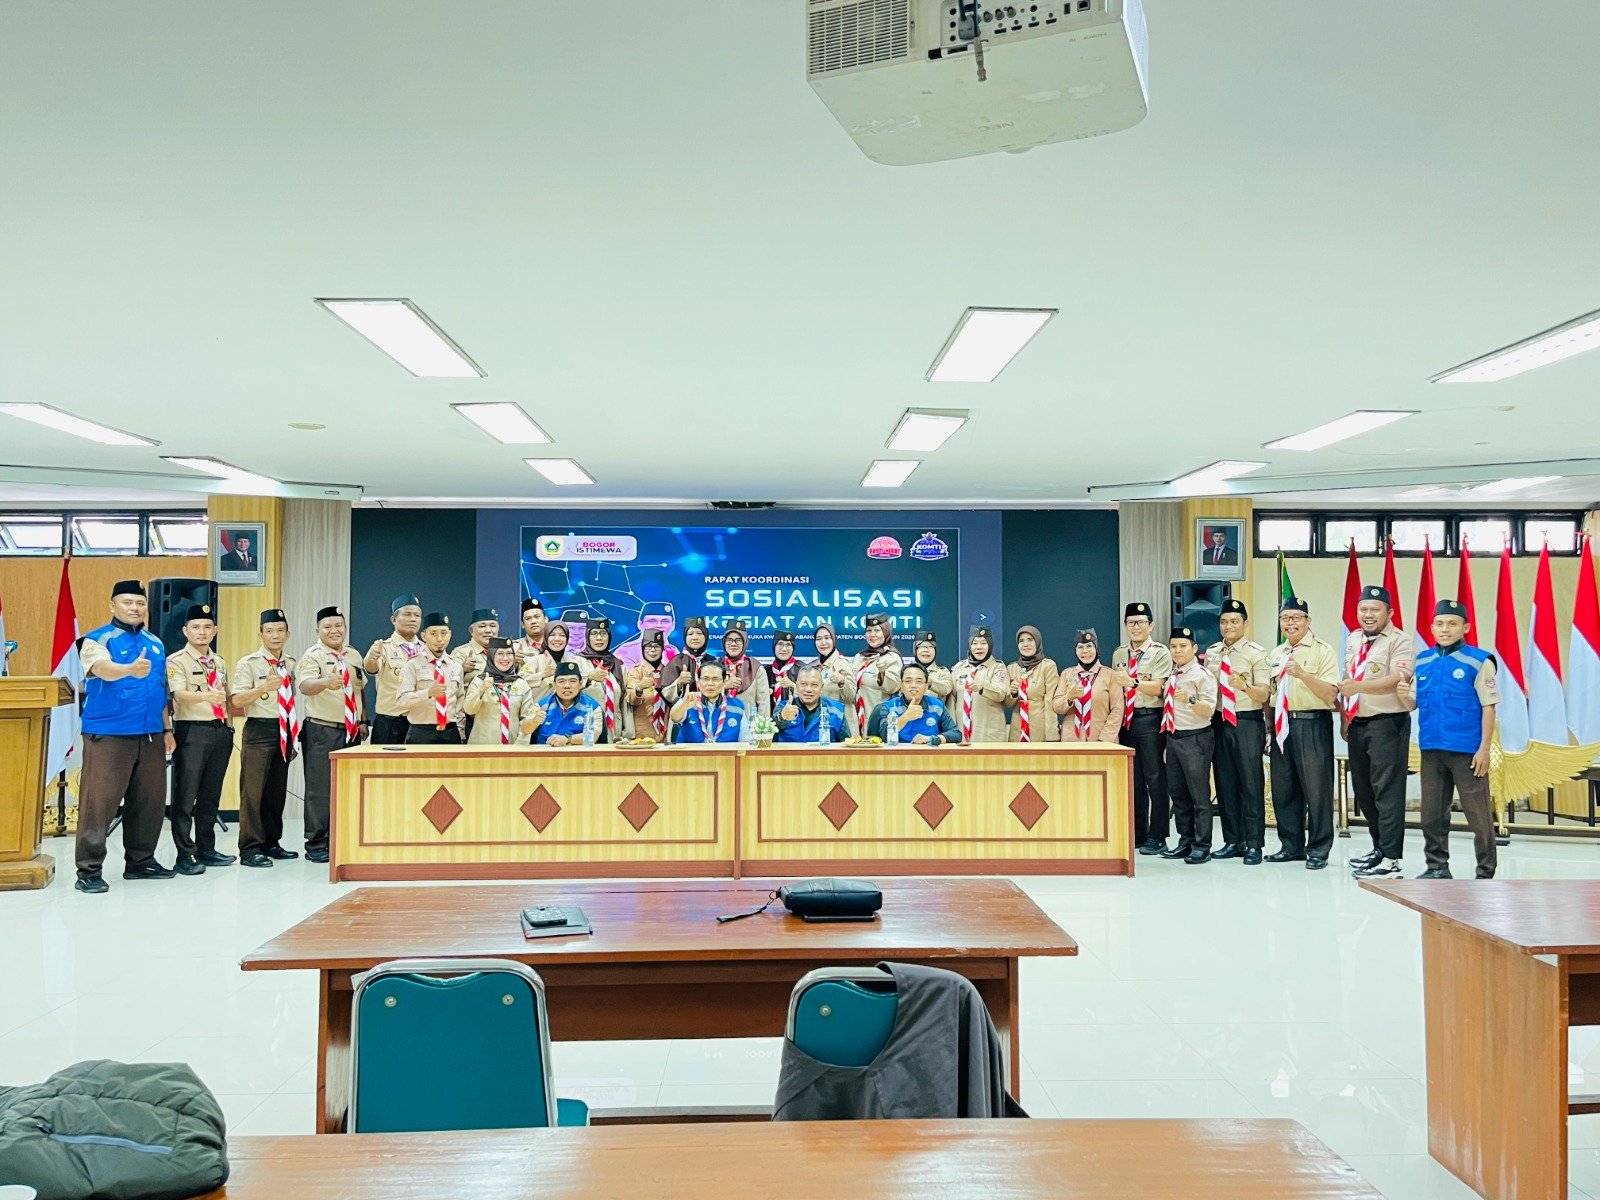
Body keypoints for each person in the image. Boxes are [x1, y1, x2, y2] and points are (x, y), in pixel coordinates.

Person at [73, 580, 176, 893]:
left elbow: (161, 690)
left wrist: (167, 729)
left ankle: (141, 861)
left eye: (140, 603)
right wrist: (129, 669)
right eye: (128, 602)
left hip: (150, 734)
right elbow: (101, 669)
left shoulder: (155, 642)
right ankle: (89, 870)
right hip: (109, 734)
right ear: (113, 605)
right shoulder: (96, 639)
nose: (135, 608)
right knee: (99, 803)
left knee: (149, 801)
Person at [1399, 599, 1500, 880]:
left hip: (1467, 751)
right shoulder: (1423, 661)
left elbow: (1489, 707)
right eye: (1440, 624)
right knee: (1431, 814)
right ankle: (1437, 866)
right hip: (1432, 749)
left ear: (1465, 627)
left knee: (1478, 815)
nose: (1445, 629)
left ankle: (1485, 872)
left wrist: (1484, 749)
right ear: (1432, 627)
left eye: (1452, 624)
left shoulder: (1479, 661)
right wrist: (1402, 695)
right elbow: (1413, 703)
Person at [1339, 585, 1415, 879]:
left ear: (1389, 613)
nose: (1368, 615)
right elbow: (1348, 678)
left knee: (1388, 792)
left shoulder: (1401, 641)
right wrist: (1346, 717)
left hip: (1388, 724)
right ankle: (1379, 849)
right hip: (1358, 722)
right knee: (1365, 791)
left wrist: (1358, 687)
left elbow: (1398, 678)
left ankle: (1392, 859)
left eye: (1375, 609)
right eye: (1363, 609)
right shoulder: (1354, 638)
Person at [1266, 596, 1341, 870]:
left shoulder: (1323, 650)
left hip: (1312, 723)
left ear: (1308, 621)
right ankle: (1291, 846)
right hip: (1282, 724)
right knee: (1284, 788)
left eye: (1296, 618)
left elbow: (1330, 694)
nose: (1290, 623)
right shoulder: (1276, 653)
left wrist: (1302, 674)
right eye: (1285, 618)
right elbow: (1272, 694)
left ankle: (1319, 849)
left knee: (1317, 789)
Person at [165, 602, 236, 876]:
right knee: (186, 795)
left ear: (215, 630)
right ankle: (185, 854)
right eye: (195, 627)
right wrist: (206, 696)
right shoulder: (177, 660)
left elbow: (226, 695)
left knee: (210, 794)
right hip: (191, 731)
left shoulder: (219, 661)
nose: (202, 632)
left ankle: (207, 848)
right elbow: (179, 694)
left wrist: (229, 726)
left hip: (219, 731)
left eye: (207, 627)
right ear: (186, 631)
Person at [295, 606, 367, 864]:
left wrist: (363, 720)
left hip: (351, 730)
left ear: (345, 628)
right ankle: (316, 843)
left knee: (349, 786)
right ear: (318, 630)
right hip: (322, 730)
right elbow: (305, 686)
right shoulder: (312, 656)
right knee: (320, 790)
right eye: (327, 627)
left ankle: (343, 838)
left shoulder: (353, 654)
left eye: (338, 625)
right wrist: (326, 682)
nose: (334, 631)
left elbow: (359, 690)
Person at [231, 608, 299, 868]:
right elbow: (237, 700)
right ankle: (250, 849)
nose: (275, 635)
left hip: (284, 729)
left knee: (275, 791)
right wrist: (262, 687)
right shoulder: (248, 663)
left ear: (288, 634)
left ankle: (272, 842)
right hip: (258, 730)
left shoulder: (290, 663)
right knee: (253, 792)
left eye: (280, 631)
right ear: (260, 635)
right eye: (269, 631)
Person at [1205, 599, 1271, 864]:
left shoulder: (1256, 653)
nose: (1228, 626)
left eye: (1234, 621)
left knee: (1251, 783)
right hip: (1219, 721)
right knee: (1225, 783)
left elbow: (1263, 694)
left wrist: (1244, 686)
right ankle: (1232, 840)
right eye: (1224, 621)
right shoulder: (1212, 652)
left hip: (1246, 721)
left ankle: (1254, 844)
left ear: (1245, 623)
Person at [1112, 602, 1175, 855]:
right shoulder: (1119, 654)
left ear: (1151, 625)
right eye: (1131, 623)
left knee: (1155, 778)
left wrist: (1133, 682)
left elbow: (1160, 688)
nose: (1135, 627)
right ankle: (1138, 832)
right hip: (1127, 721)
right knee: (1133, 779)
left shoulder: (1160, 652)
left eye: (1140, 622)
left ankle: (1158, 835)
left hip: (1150, 718)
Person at [1161, 626, 1219, 864]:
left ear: (1194, 648)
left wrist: (1191, 700)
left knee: (1199, 796)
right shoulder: (1173, 674)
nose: (1178, 650)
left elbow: (1209, 710)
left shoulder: (1202, 675)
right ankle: (1185, 842)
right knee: (1178, 795)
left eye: (1183, 646)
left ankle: (1202, 846)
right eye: (1174, 646)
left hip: (1195, 739)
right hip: (1174, 738)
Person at [364, 594, 424, 746]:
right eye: (407, 614)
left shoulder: (426, 650)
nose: (413, 619)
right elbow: (371, 668)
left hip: (420, 723)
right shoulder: (383, 647)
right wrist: (372, 658)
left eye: (417, 615)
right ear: (394, 619)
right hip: (390, 724)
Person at [398, 612, 465, 744]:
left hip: (451, 731)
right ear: (424, 636)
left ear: (450, 634)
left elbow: (459, 704)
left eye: (444, 633)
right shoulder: (413, 664)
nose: (439, 639)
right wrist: (428, 693)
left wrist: (461, 734)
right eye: (433, 634)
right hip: (422, 732)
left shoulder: (456, 666)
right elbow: (402, 699)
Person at [1051, 629, 1124, 745]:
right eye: (1080, 647)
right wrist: (1069, 697)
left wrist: (1105, 740)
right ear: (1075, 650)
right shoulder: (1067, 674)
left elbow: (1117, 710)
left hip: (1101, 739)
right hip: (1071, 741)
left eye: (1089, 646)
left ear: (1096, 648)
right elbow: (1056, 707)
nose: (1085, 651)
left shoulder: (1110, 675)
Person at [465, 638, 539, 745]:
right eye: (500, 654)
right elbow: (469, 710)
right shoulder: (479, 681)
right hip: (482, 746)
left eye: (509, 653)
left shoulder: (521, 683)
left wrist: (520, 745)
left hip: (513, 746)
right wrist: (481, 690)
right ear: (491, 656)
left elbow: (526, 718)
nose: (505, 658)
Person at [866, 663, 963, 746]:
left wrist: (932, 739)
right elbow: (883, 737)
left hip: (928, 758)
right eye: (908, 681)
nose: (913, 685)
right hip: (896, 758)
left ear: (926, 686)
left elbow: (956, 734)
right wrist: (905, 717)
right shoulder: (888, 707)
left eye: (919, 681)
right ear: (901, 685)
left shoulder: (937, 706)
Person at [951, 626, 1011, 744]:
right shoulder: (959, 668)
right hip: (961, 735)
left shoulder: (998, 667)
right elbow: (951, 699)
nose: (979, 647)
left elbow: (1001, 694)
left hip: (989, 736)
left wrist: (984, 686)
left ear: (990, 645)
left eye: (983, 643)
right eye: (975, 643)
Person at [527, 660, 602, 746]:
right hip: (545, 753)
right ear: (554, 684)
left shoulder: (592, 707)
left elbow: (592, 737)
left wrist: (567, 739)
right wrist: (533, 722)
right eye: (561, 681)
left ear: (580, 683)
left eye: (572, 681)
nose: (567, 686)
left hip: (577, 753)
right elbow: (524, 730)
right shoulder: (542, 705)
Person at [849, 614, 903, 734]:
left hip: (878, 722)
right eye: (869, 630)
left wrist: (882, 673)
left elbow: (893, 688)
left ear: (885, 632)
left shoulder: (892, 657)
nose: (872, 634)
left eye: (877, 630)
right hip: (855, 724)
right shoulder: (859, 657)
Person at [670, 659, 747, 744]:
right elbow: (674, 718)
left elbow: (745, 741)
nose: (710, 683)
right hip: (692, 752)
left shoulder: (737, 707)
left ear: (724, 682)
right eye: (705, 679)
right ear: (699, 681)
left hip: (726, 752)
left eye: (715, 679)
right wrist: (684, 705)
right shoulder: (689, 700)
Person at [1007, 625, 1060, 742]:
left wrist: (1052, 736)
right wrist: (1013, 693)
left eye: (1030, 640)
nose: (1025, 644)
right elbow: (1007, 703)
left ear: (1037, 642)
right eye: (1021, 641)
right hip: (1017, 731)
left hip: (1040, 730)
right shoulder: (1012, 668)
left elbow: (1050, 702)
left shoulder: (1048, 666)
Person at [774, 665, 847, 743]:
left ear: (821, 687)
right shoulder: (783, 707)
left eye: (814, 685)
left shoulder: (836, 710)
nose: (808, 689)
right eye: (803, 684)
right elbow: (767, 738)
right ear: (796, 686)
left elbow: (847, 745)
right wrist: (781, 717)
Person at [580, 618, 626, 741]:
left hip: (614, 729)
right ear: (587, 636)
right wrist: (588, 677)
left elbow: (624, 702)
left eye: (603, 633)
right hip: (587, 725)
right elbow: (569, 689)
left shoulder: (618, 665)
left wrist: (627, 732)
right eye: (594, 633)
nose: (599, 638)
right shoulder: (577, 662)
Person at [810, 623, 860, 735]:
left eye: (827, 638)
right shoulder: (814, 666)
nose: (823, 642)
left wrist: (842, 681)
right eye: (819, 639)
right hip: (822, 725)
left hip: (843, 728)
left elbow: (852, 696)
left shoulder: (842, 663)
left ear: (833, 640)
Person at [624, 630, 672, 740]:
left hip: (666, 734)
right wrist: (639, 687)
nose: (653, 650)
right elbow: (631, 700)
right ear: (642, 649)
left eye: (657, 646)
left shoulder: (668, 671)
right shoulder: (636, 671)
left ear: (662, 649)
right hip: (641, 734)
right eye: (648, 646)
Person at [720, 620, 772, 718]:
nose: (733, 644)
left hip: (748, 725)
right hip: (718, 725)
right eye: (729, 640)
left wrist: (761, 726)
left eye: (738, 640)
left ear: (745, 642)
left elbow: (764, 705)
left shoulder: (756, 668)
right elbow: (705, 697)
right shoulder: (715, 667)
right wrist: (724, 686)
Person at [664, 617, 713, 705]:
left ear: (706, 636)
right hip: (683, 711)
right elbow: (666, 695)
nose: (695, 638)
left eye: (699, 633)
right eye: (690, 634)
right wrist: (679, 682)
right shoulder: (676, 662)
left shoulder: (714, 662)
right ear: (685, 637)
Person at [451, 608, 500, 696]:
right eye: (482, 626)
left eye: (492, 626)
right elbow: (449, 686)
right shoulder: (460, 653)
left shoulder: (504, 653)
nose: (488, 630)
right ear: (471, 630)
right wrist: (462, 670)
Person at [912, 631, 955, 702]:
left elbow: (946, 689)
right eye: (922, 646)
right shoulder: (908, 672)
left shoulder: (942, 672)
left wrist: (930, 683)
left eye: (930, 646)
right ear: (915, 650)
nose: (926, 650)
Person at [765, 630, 802, 711]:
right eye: (780, 644)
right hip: (769, 718)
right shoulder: (766, 671)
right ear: (774, 646)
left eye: (788, 644)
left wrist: (793, 686)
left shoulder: (802, 670)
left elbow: (811, 697)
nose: (784, 649)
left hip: (796, 717)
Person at [513, 598, 548, 669]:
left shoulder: (556, 645)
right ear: (522, 624)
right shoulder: (514, 648)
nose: (533, 621)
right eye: (528, 619)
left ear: (545, 619)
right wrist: (512, 663)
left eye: (537, 617)